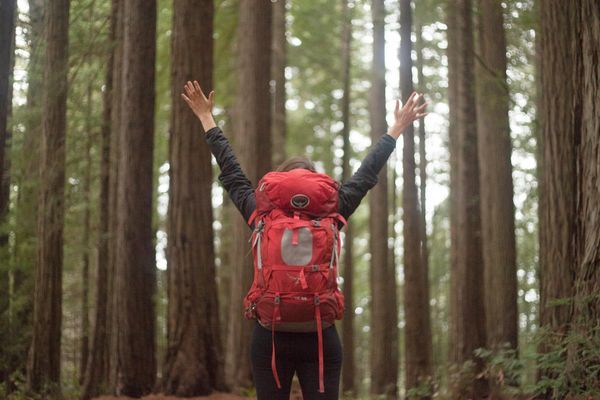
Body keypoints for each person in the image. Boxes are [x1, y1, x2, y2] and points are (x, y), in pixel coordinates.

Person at [181, 81, 427, 400]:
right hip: (320, 337)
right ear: (316, 183)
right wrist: (396, 128)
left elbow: (231, 171)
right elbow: (367, 174)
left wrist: (206, 118)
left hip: (269, 336)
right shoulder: (332, 208)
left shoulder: (260, 210)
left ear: (281, 178)